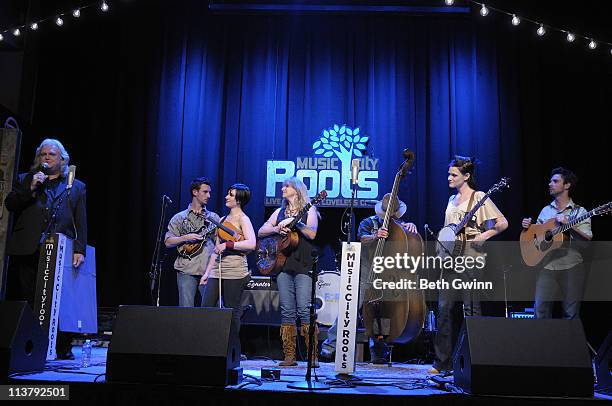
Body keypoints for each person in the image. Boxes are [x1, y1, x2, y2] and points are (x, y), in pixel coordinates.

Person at [5, 138, 87, 360]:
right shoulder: (26, 179)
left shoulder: (76, 186)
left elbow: (81, 220)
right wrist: (30, 188)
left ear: (63, 159)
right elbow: (10, 204)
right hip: (29, 248)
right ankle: (30, 344)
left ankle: (62, 346)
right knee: (29, 296)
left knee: (60, 299)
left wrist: (80, 249)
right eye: (43, 154)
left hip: (60, 249)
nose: (47, 158)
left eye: (52, 154)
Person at [430, 156, 508, 374]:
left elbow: (502, 223)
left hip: (471, 258)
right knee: (444, 308)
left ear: (466, 176)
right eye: (449, 174)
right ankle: (441, 362)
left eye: (454, 175)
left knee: (470, 308)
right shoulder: (450, 201)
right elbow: (447, 231)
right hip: (449, 260)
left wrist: (485, 235)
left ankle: (473, 361)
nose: (449, 178)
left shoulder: (479, 197)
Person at [320, 193, 418, 364]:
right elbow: (362, 239)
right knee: (350, 306)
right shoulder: (369, 222)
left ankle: (378, 351)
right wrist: (376, 236)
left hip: (387, 272)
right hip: (365, 269)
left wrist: (410, 229)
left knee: (382, 312)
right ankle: (330, 346)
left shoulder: (402, 226)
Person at [258, 177, 319, 367]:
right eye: (283, 186)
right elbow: (261, 231)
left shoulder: (310, 209)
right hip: (282, 264)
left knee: (303, 308)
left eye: (287, 186)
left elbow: (312, 233)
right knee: (287, 310)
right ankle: (289, 356)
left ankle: (312, 356)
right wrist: (278, 227)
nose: (283, 188)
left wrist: (296, 222)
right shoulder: (279, 212)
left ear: (297, 190)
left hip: (303, 264)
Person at [521, 167, 592, 320]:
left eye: (555, 181)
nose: (550, 184)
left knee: (570, 314)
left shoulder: (580, 212)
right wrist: (526, 228)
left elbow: (586, 242)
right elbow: (535, 237)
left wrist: (570, 225)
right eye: (550, 181)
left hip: (571, 267)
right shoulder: (546, 210)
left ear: (567, 185)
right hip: (547, 267)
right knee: (539, 311)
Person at [200, 184, 256, 352]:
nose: (226, 197)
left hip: (235, 271)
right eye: (227, 193)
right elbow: (216, 250)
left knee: (232, 312)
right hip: (217, 270)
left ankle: (230, 349)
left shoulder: (243, 219)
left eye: (231, 195)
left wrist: (229, 245)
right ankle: (206, 347)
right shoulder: (223, 220)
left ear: (238, 200)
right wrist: (207, 273)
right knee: (206, 308)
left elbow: (251, 243)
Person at [165, 177, 220, 307]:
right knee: (186, 310)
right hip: (186, 270)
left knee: (212, 312)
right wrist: (186, 237)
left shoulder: (214, 218)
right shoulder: (179, 217)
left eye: (210, 192)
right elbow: (168, 242)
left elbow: (219, 245)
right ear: (195, 192)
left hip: (208, 271)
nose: (209, 195)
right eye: (205, 192)